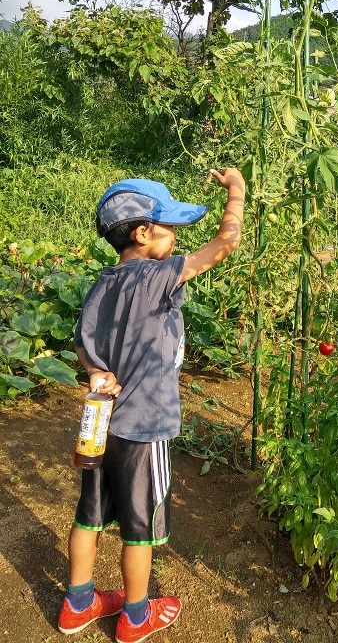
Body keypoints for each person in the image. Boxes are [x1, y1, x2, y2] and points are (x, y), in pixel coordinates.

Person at [58, 168, 245, 642]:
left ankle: (78, 604)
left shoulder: (104, 282)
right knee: (139, 527)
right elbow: (225, 244)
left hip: (99, 425)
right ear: (143, 233)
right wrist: (237, 191)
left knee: (90, 514)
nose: (177, 236)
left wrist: (95, 371)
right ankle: (136, 616)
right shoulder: (158, 275)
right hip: (143, 426)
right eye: (171, 227)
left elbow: (82, 342)